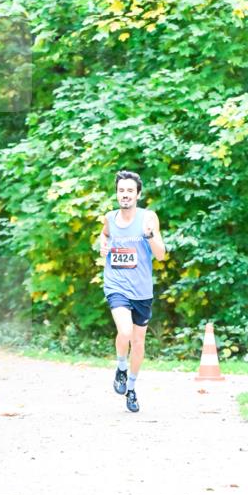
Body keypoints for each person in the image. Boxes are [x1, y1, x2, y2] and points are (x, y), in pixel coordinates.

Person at [100, 170, 165, 413]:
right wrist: (102, 244)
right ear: (117, 193)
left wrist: (149, 236)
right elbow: (105, 234)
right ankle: (120, 367)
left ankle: (132, 388)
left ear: (138, 194)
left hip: (142, 290)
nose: (124, 195)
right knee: (124, 331)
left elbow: (160, 254)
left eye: (129, 191)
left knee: (138, 342)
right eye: (121, 190)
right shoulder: (109, 218)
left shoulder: (148, 218)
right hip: (116, 285)